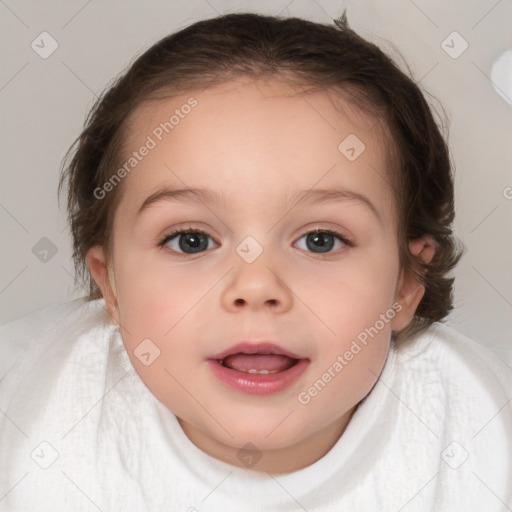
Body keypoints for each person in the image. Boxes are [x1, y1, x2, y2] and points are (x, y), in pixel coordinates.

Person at [0, 12, 511, 511]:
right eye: (191, 241)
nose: (256, 286)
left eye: (320, 241)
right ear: (111, 285)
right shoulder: (25, 411)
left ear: (404, 284)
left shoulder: (483, 435)